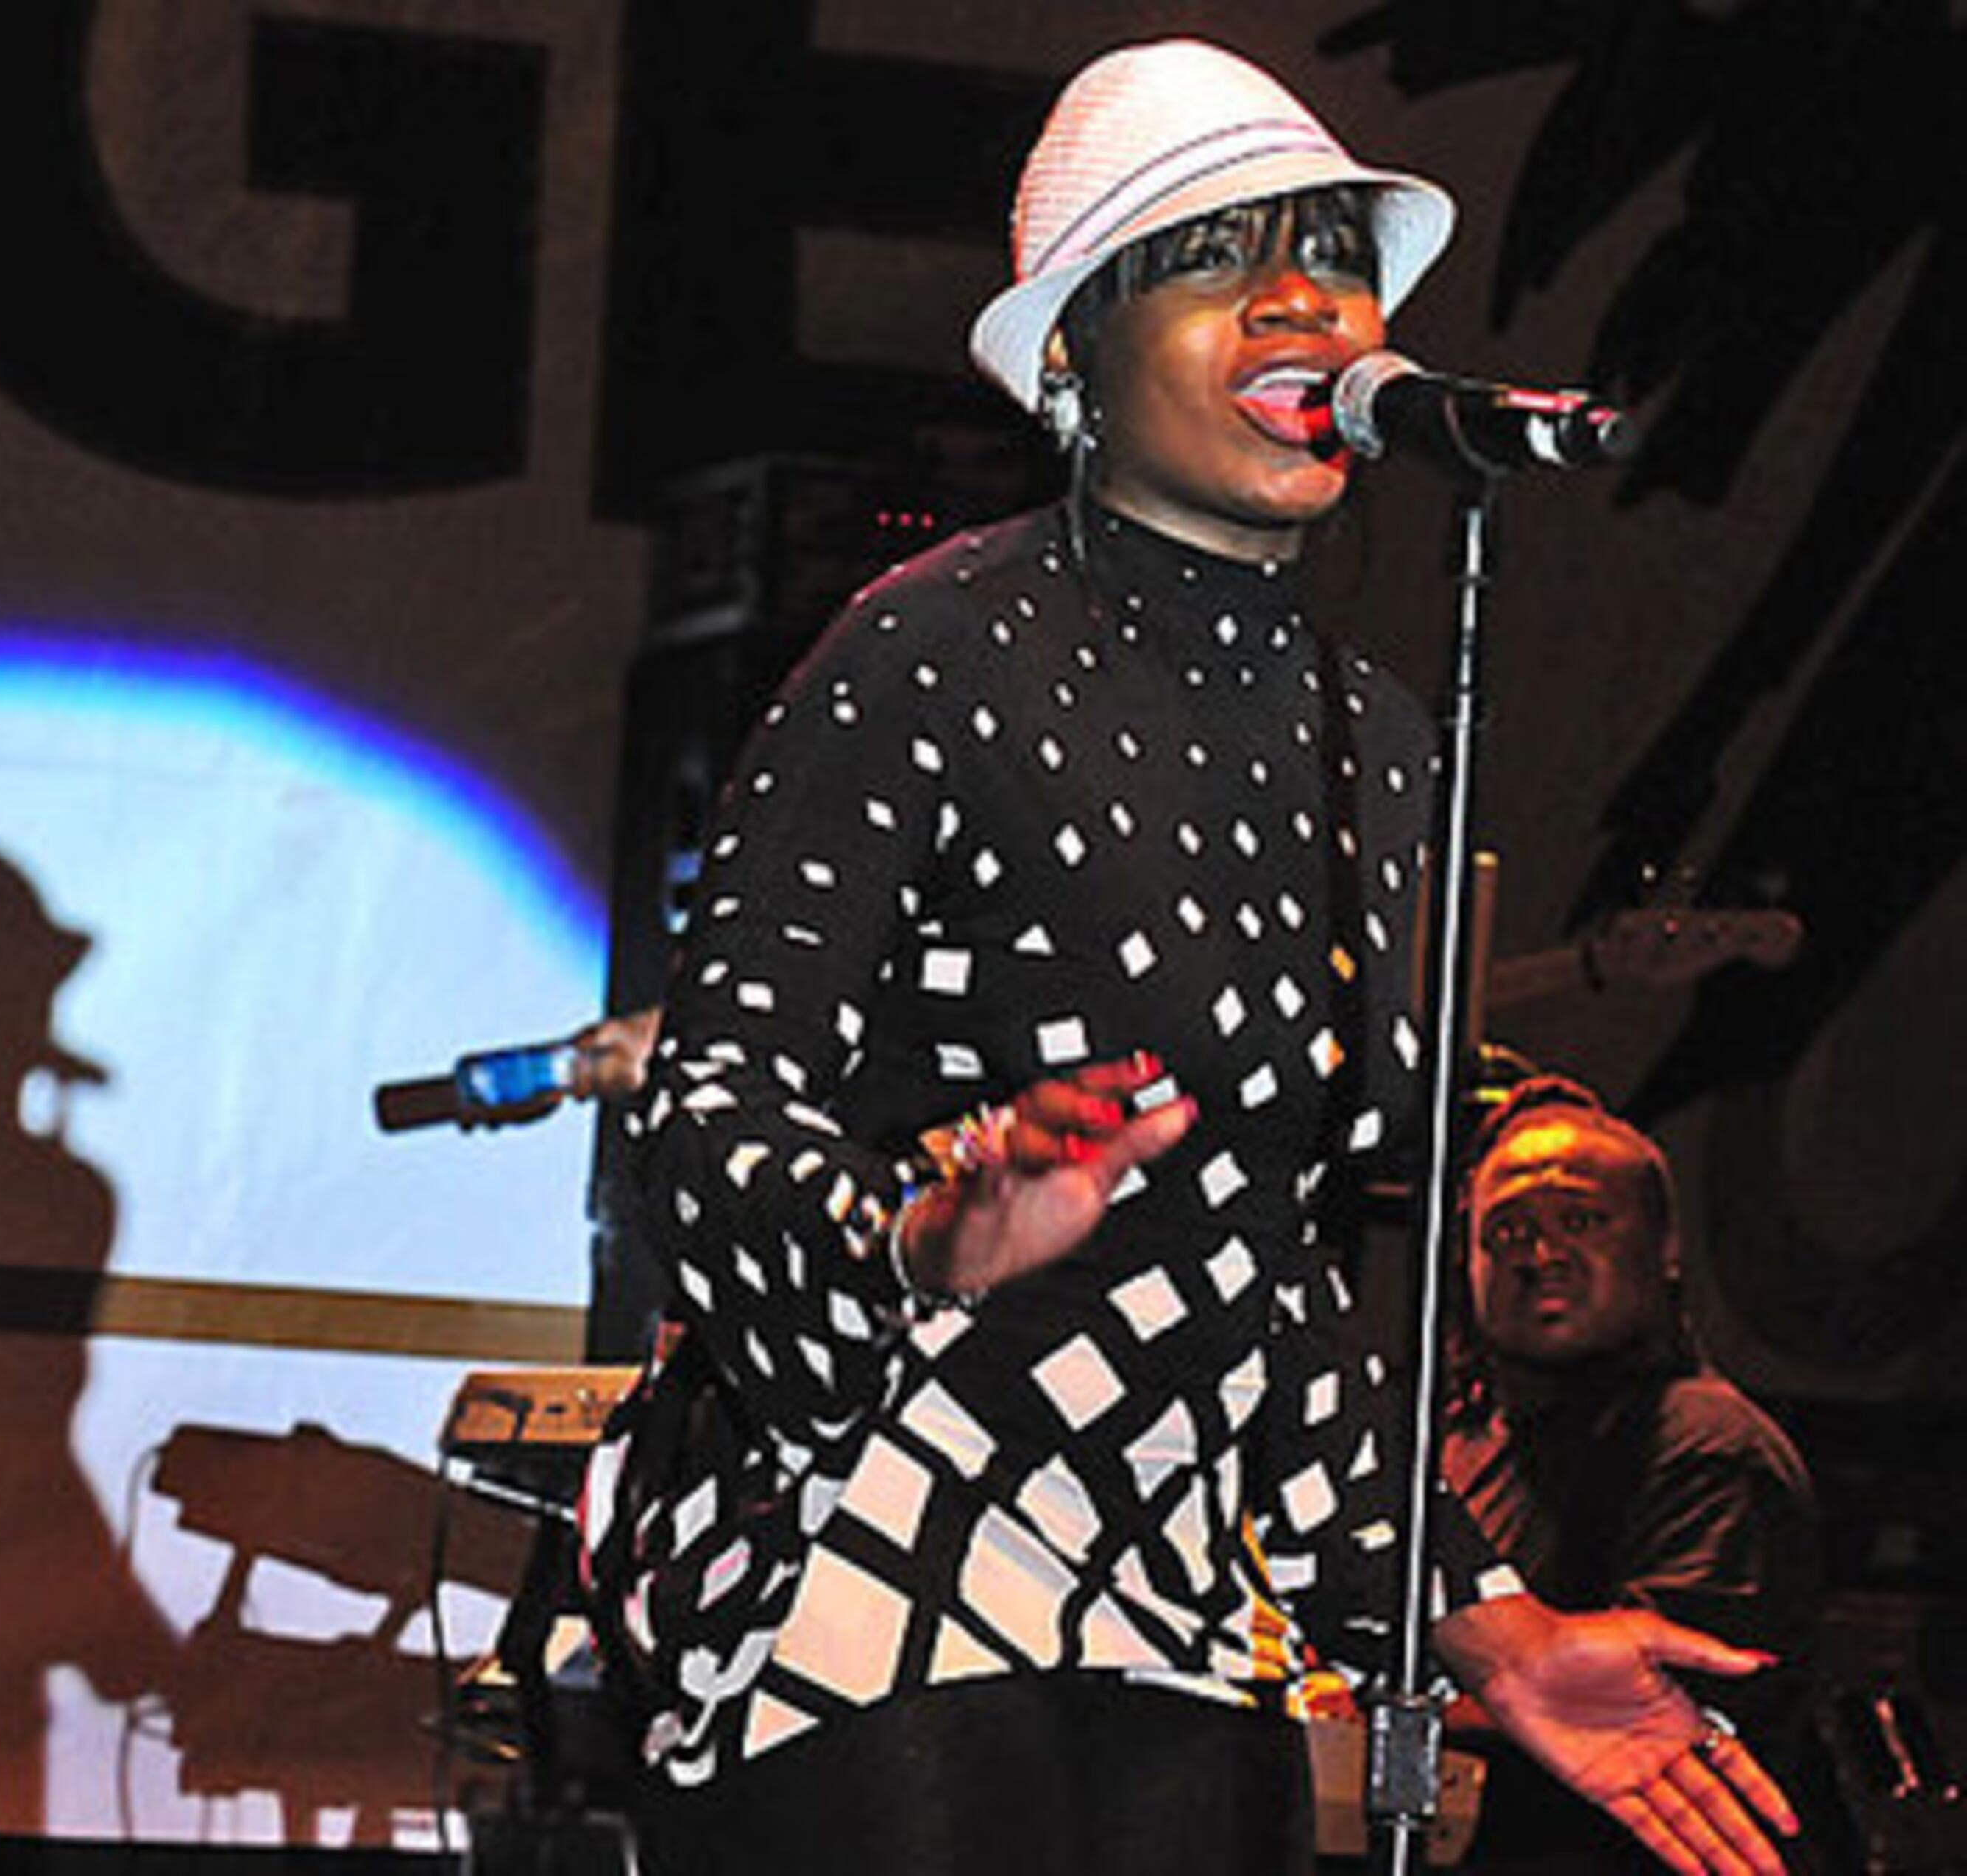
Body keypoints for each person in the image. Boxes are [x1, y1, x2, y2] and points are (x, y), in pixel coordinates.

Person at [577, 38, 1799, 1876]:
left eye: (1330, 252)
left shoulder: (1371, 744)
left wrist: (1493, 1631)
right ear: (1070, 350)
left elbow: (1265, 1287)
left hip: (1166, 1589)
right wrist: (928, 1235)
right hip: (873, 1528)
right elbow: (707, 1108)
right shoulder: (925, 653)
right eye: (1222, 251)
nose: (1308, 296)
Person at [1446, 1076, 1828, 1872]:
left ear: (1665, 1248)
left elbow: (1660, 1705)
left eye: (1580, 1221)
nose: (1539, 1255)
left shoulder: (1709, 1448)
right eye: (1505, 1231)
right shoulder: (1459, 1446)